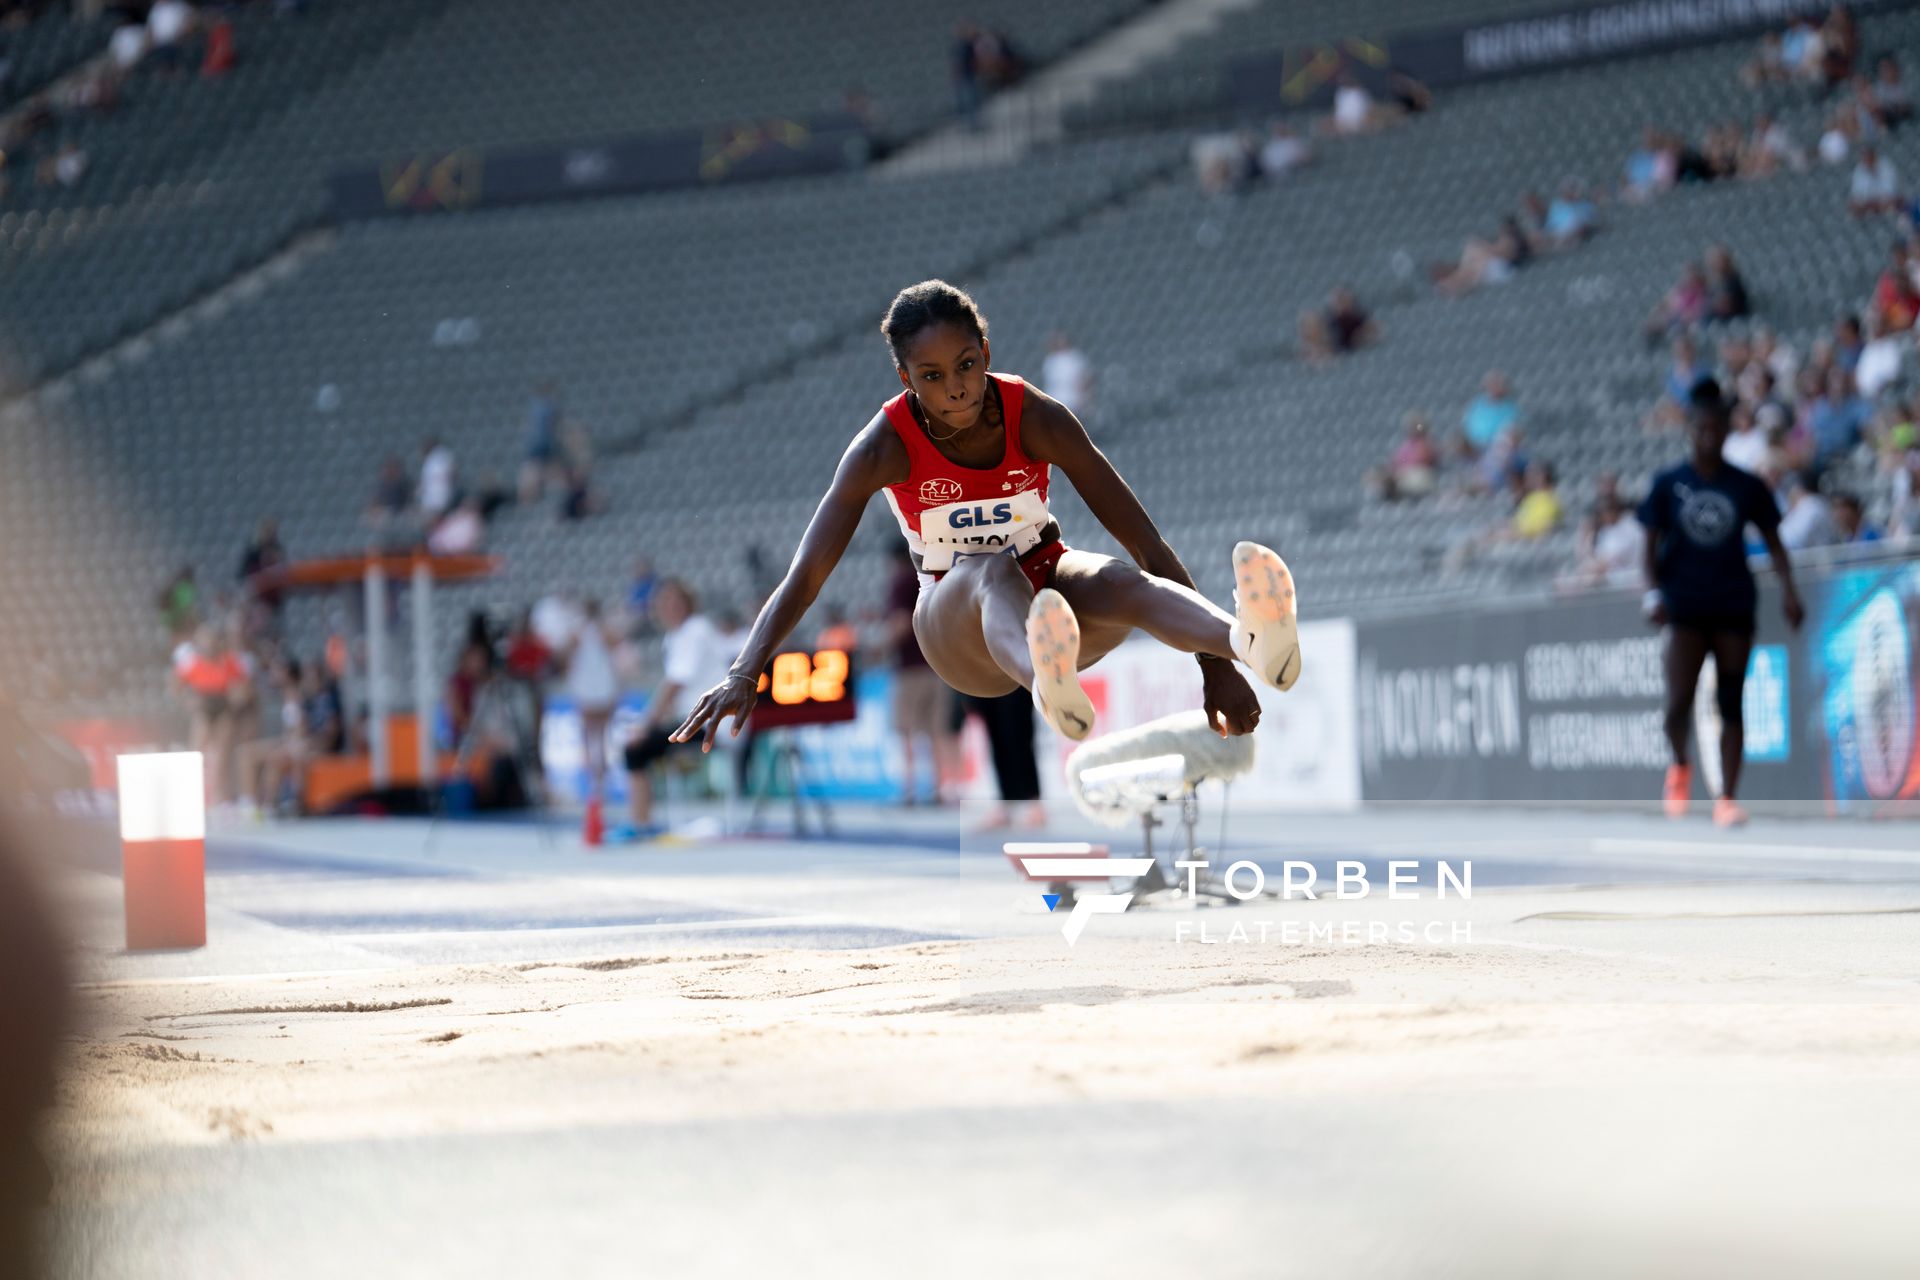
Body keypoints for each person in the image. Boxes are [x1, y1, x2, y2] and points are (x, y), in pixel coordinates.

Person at [667, 280, 1299, 764]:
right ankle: (1044, 682)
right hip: (958, 625)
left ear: (986, 351)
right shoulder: (880, 447)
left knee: (1120, 577)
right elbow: (807, 573)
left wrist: (1214, 670)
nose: (957, 389)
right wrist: (744, 670)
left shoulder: (1037, 415)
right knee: (990, 569)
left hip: (1050, 589)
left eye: (967, 365)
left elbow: (1144, 537)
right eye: (932, 377)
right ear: (905, 378)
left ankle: (1248, 641)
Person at [1639, 379, 1803, 828]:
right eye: (1702, 428)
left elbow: (1774, 541)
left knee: (1731, 702)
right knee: (1677, 703)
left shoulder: (1745, 485)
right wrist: (1653, 593)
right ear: (1691, 430)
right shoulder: (1668, 484)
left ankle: (1727, 797)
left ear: (1728, 431)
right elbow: (1648, 547)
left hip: (1732, 602)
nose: (1710, 435)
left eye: (1717, 428)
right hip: (1684, 604)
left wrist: (1789, 591)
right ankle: (1680, 765)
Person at [623, 581, 740, 832]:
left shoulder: (695, 630)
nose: (670, 607)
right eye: (664, 602)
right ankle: (641, 820)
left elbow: (676, 683)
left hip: (712, 721)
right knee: (640, 747)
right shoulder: (676, 637)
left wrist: (647, 723)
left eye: (675, 601)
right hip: (696, 718)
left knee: (635, 748)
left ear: (688, 603)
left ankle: (640, 823)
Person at [886, 547, 956, 806]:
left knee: (907, 731)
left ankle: (910, 789)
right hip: (937, 665)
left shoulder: (901, 580)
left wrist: (881, 645)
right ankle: (939, 789)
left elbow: (901, 623)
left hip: (910, 670)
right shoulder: (934, 575)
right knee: (936, 731)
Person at [561, 598, 620, 806]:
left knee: (600, 736)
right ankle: (593, 781)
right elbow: (567, 652)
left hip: (601, 684)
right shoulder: (579, 629)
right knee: (590, 736)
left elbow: (615, 646)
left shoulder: (602, 629)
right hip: (588, 684)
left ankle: (601, 781)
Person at [1040, 332, 1093, 421]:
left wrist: (1085, 399)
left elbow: (1085, 379)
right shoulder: (1050, 360)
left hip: (1073, 400)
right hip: (1054, 399)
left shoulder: (1074, 357)